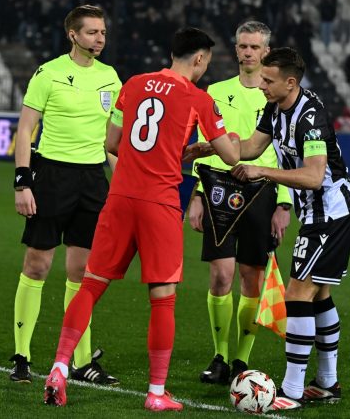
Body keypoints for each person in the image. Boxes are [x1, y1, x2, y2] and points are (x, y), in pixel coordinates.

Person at [43, 27, 241, 411]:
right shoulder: (198, 99)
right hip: (160, 205)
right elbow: (231, 157)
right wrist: (220, 139)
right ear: (199, 59)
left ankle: (59, 368)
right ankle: (155, 392)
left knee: (90, 286)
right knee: (162, 299)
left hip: (119, 199)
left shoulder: (133, 84)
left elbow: (112, 143)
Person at [231, 47, 350, 410]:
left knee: (297, 294)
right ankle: (328, 382)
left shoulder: (310, 117)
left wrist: (264, 172)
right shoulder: (274, 109)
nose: (261, 86)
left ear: (291, 82)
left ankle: (290, 390)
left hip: (330, 214)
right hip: (321, 215)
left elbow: (314, 176)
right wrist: (209, 146)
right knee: (318, 295)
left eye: (268, 81)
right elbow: (250, 148)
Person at [10, 4, 122, 385]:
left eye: (103, 32)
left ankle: (82, 359)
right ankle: (22, 355)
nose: (100, 38)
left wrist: (120, 184)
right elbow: (26, 130)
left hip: (92, 180)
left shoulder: (111, 78)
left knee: (83, 272)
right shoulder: (50, 73)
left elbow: (112, 142)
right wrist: (23, 183)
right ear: (73, 35)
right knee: (37, 265)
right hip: (51, 175)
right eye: (92, 32)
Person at [189, 21, 292, 386]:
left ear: (266, 52)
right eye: (242, 46)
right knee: (220, 276)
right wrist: (197, 195)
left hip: (262, 191)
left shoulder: (276, 97)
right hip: (218, 190)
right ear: (235, 50)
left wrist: (284, 203)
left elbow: (282, 155)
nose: (247, 52)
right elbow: (205, 144)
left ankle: (240, 361)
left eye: (254, 47)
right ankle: (219, 355)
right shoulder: (214, 92)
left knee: (252, 279)